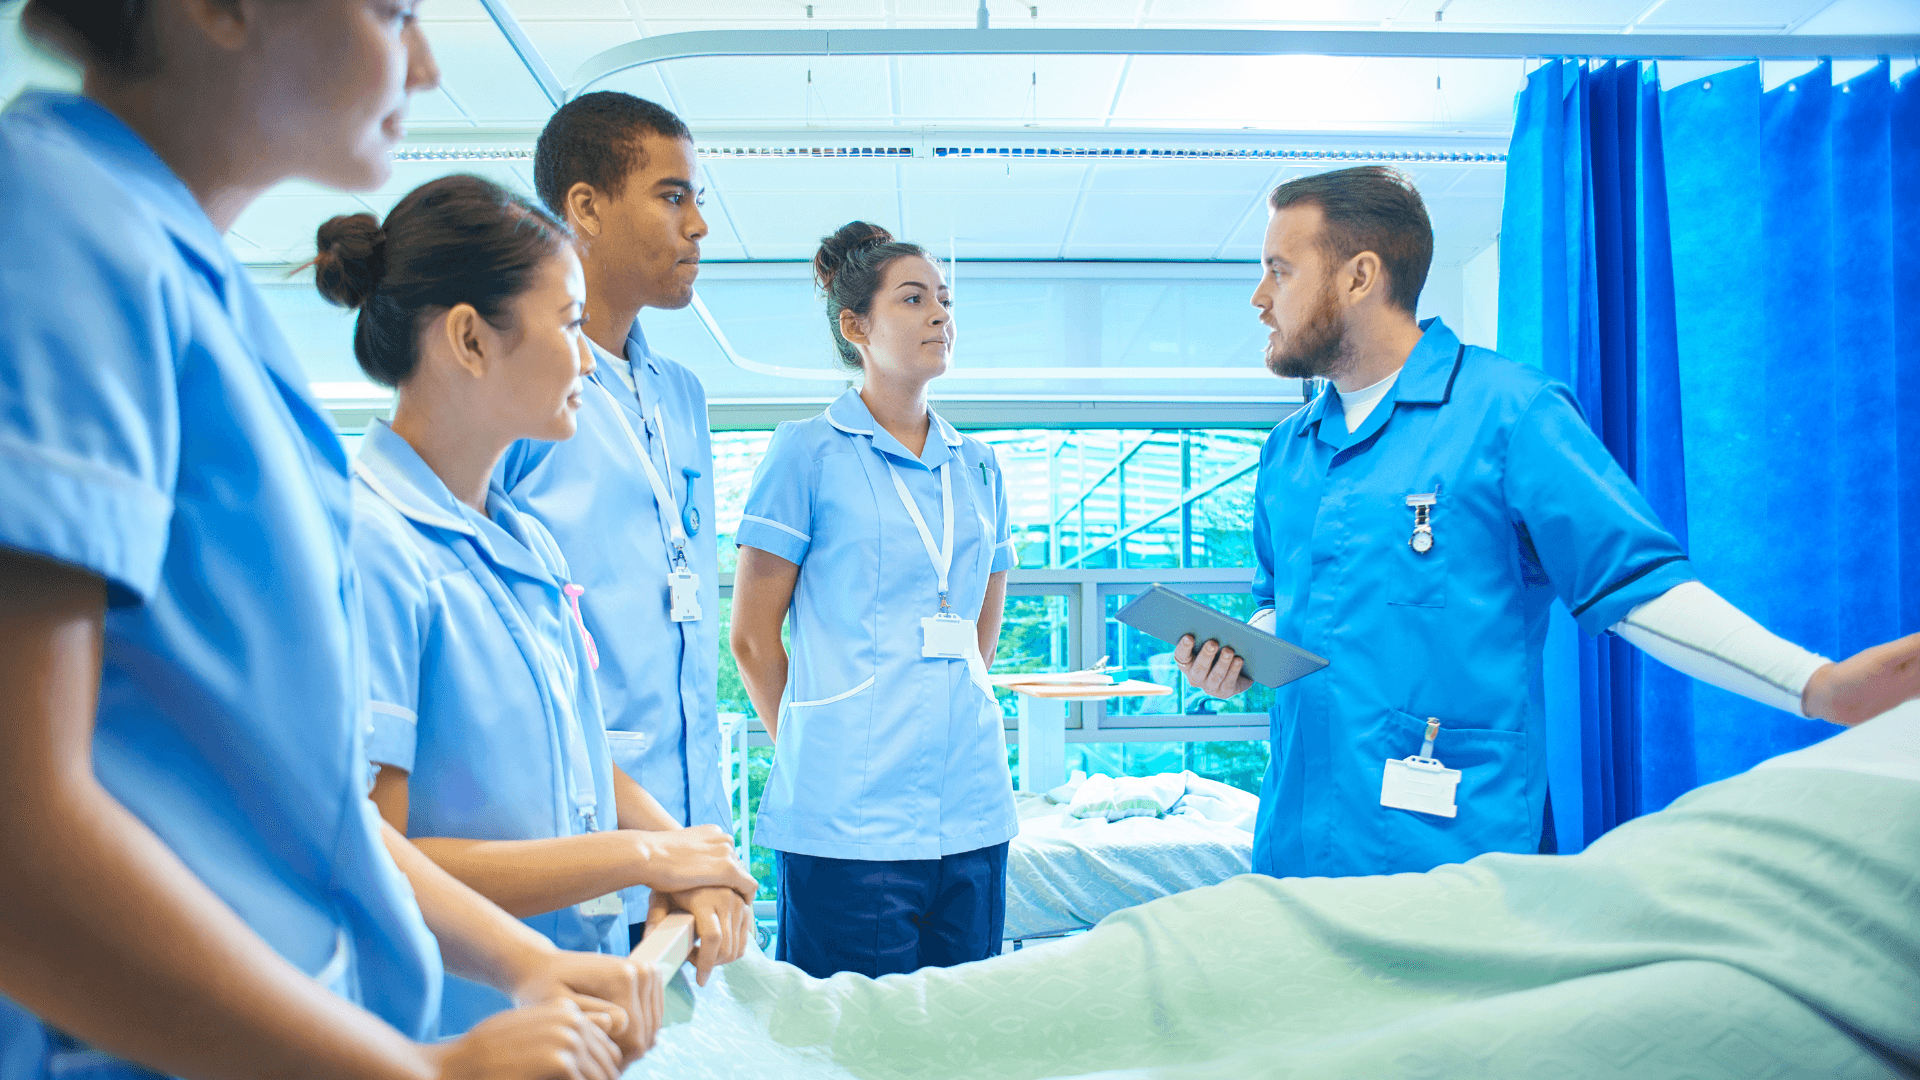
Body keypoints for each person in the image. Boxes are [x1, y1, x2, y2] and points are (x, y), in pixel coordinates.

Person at [0, 3, 658, 1078]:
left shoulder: (200, 292)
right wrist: (424, 1073)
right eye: (393, 13)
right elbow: (19, 845)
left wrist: (525, 964)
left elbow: (317, 816)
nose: (428, 64)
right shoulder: (52, 225)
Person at [1174, 165, 1897, 879]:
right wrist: (1243, 659)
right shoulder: (1288, 451)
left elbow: (1635, 587)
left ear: (1359, 277)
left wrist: (1816, 684)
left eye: (1280, 270)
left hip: (1453, 855)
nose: (1260, 297)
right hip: (1297, 852)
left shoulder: (1509, 413)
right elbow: (1281, 608)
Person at [311, 175, 758, 1034]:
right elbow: (376, 854)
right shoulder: (374, 544)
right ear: (471, 340)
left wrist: (690, 856)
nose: (588, 357)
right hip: (454, 1027)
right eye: (567, 324)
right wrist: (647, 855)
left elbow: (588, 757)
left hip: (562, 1009)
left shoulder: (524, 540)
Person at [729, 221, 1019, 979]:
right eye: (915, 299)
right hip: (846, 819)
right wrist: (821, 745)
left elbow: (980, 634)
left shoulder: (979, 466)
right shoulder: (806, 452)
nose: (940, 317)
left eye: (946, 302)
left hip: (973, 807)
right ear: (855, 326)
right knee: (848, 1043)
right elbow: (753, 640)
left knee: (958, 1038)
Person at [496, 91, 737, 952]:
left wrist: (697, 841)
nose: (699, 225)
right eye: (673, 196)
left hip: (688, 824)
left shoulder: (682, 397)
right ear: (586, 209)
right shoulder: (519, 390)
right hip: (573, 825)